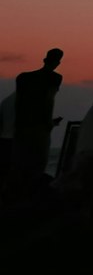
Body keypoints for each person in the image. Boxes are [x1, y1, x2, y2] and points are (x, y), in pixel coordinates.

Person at [13, 48, 64, 183]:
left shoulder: (23, 77)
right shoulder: (55, 78)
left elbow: (18, 103)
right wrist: (49, 123)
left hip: (21, 127)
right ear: (58, 62)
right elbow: (49, 100)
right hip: (39, 128)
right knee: (38, 165)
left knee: (20, 165)